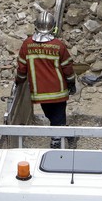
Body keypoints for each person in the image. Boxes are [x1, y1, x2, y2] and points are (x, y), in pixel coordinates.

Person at [15, 9, 76, 148]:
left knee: (52, 116)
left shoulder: (27, 45)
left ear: (35, 26)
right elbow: (68, 68)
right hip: (59, 91)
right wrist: (71, 83)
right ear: (53, 27)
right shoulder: (58, 46)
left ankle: (63, 135)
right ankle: (58, 142)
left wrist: (18, 81)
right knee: (58, 117)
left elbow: (22, 69)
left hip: (40, 93)